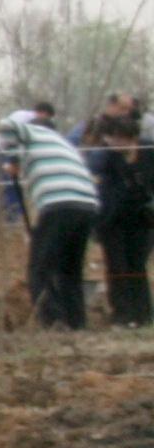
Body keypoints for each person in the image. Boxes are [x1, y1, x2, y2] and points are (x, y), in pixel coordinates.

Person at [0, 107, 101, 331]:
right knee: (69, 270)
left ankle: (53, 323)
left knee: (39, 269)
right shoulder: (62, 143)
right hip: (87, 205)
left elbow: (6, 127)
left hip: (59, 202)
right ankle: (76, 324)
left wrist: (12, 157)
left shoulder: (33, 133)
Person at [87, 94, 152, 328]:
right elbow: (95, 178)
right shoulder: (107, 158)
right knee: (117, 267)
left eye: (121, 140)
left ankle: (143, 314)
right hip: (112, 220)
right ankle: (122, 315)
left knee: (137, 265)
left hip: (142, 220)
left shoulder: (149, 153)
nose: (116, 144)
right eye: (113, 139)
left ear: (133, 139)